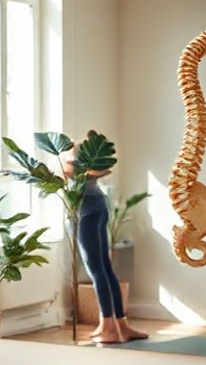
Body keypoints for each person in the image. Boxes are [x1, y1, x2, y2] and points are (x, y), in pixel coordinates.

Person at [62, 133, 148, 344]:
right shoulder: (93, 166)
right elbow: (101, 169)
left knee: (96, 270)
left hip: (86, 212)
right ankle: (121, 324)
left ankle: (108, 327)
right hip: (99, 206)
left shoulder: (73, 165)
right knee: (106, 268)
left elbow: (68, 172)